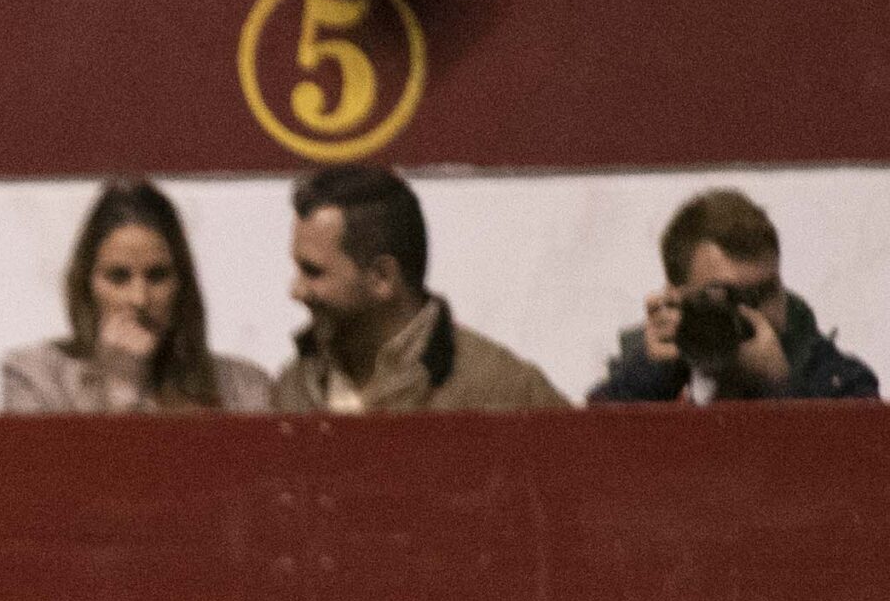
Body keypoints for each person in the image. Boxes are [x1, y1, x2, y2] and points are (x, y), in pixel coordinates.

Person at [272, 165, 565, 414]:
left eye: (313, 271)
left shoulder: (504, 392)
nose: (296, 291)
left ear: (382, 277)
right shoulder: (293, 388)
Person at [589, 188, 879, 406]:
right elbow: (587, 463)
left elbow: (854, 474)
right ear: (675, 296)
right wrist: (649, 381)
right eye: (722, 297)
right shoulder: (648, 374)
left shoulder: (840, 384)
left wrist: (783, 391)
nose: (749, 315)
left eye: (764, 293)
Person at [1, 180, 270, 414]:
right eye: (118, 277)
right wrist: (120, 389)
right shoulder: (36, 379)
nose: (139, 300)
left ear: (181, 283)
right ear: (87, 285)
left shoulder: (245, 387)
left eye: (157, 276)